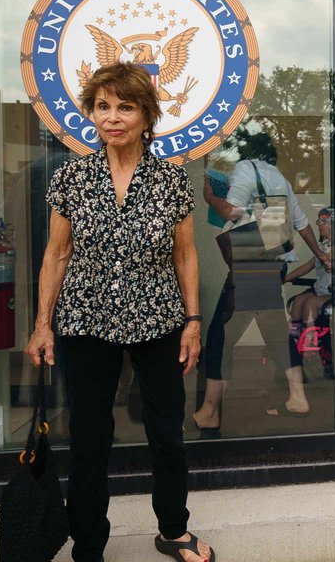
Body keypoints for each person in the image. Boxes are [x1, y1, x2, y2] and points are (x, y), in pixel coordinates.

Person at [24, 62, 214, 562]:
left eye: (125, 107)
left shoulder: (171, 180)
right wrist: (43, 325)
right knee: (89, 439)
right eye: (103, 106)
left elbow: (185, 255)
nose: (112, 117)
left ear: (146, 115)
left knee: (167, 433)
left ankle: (173, 530)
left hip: (159, 321)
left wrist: (192, 322)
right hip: (85, 321)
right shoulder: (72, 177)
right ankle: (89, 545)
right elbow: (57, 254)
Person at [198, 138, 330, 422]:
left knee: (220, 335)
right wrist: (319, 253)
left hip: (251, 265)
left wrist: (211, 198)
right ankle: (297, 397)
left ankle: (210, 411)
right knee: (275, 334)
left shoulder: (245, 168)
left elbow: (230, 211)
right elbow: (301, 222)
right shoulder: (278, 176)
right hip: (274, 263)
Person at [282, 207, 335, 381]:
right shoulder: (323, 245)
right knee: (299, 301)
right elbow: (307, 267)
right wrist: (284, 278)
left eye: (323, 221)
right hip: (323, 289)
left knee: (310, 303)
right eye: (319, 221)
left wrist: (330, 261)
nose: (319, 225)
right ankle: (296, 342)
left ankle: (312, 350)